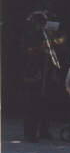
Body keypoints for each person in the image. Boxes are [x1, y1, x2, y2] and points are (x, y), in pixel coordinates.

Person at [22, 10, 64, 142]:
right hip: (34, 73)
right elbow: (27, 51)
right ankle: (30, 134)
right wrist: (41, 48)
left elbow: (53, 51)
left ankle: (44, 131)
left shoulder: (45, 34)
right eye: (41, 23)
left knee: (45, 103)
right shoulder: (29, 35)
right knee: (33, 104)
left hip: (46, 74)